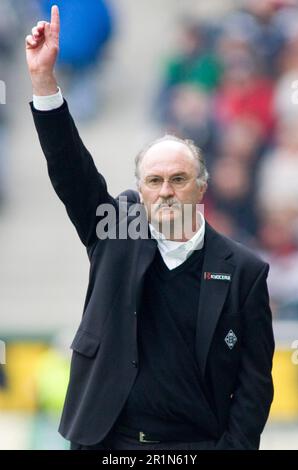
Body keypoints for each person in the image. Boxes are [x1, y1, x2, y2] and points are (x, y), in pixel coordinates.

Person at [25, 6, 275, 450]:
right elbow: (70, 168)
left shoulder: (244, 271)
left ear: (201, 188)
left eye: (178, 180)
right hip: (106, 443)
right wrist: (44, 82)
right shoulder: (114, 232)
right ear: (139, 190)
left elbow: (254, 387)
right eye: (154, 181)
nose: (165, 192)